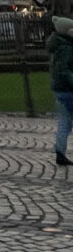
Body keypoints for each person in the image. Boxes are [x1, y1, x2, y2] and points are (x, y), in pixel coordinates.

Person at [47, 16, 73, 166]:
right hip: (67, 90)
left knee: (65, 122)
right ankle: (60, 153)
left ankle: (60, 152)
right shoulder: (66, 47)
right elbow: (64, 70)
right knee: (66, 121)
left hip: (60, 89)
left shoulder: (59, 45)